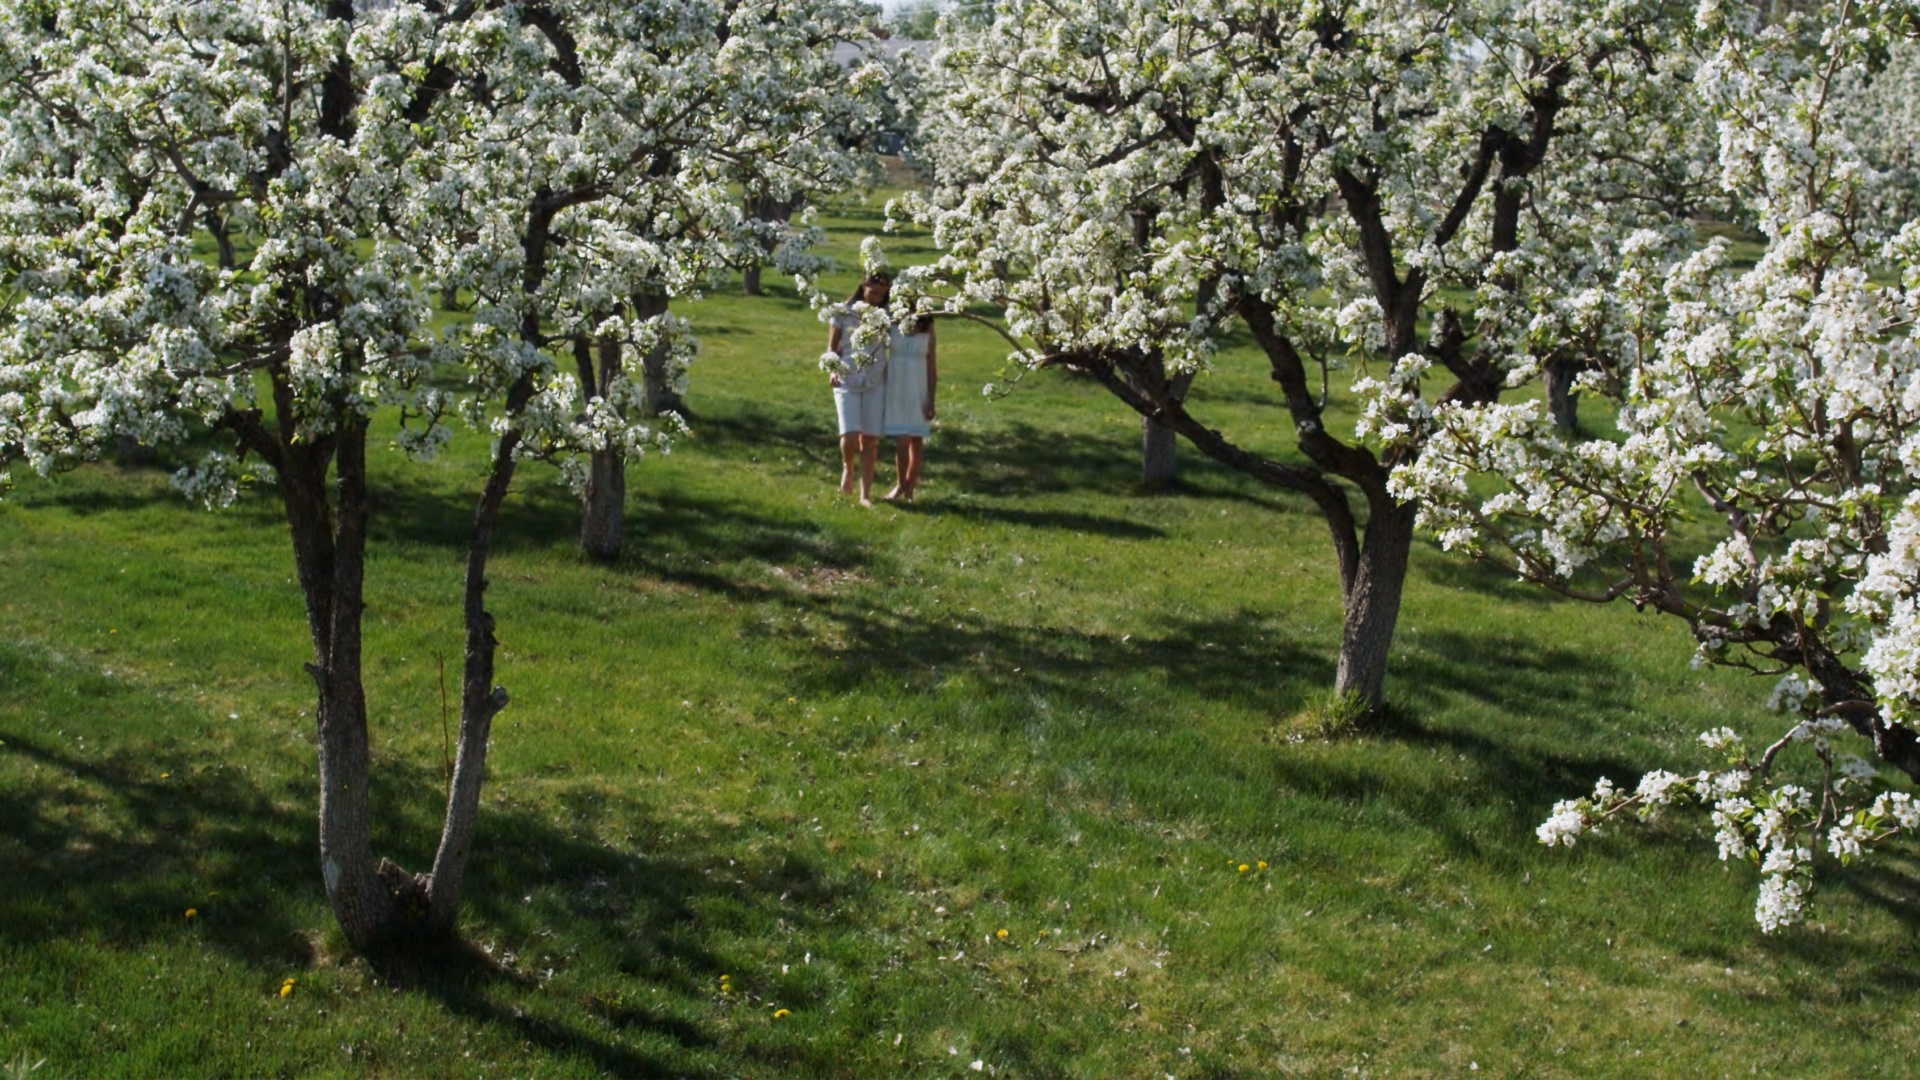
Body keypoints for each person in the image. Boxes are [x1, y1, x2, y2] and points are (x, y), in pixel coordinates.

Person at [828, 273, 891, 506]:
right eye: (873, 292)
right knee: (850, 433)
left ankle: (865, 494)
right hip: (847, 376)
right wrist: (832, 369)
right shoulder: (844, 311)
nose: (876, 297)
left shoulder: (887, 315)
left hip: (875, 379)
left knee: (871, 438)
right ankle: (848, 467)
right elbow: (832, 346)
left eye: (881, 294)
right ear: (864, 286)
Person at [881, 313, 937, 502]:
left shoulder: (927, 328)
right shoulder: (891, 323)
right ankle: (900, 484)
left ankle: (910, 487)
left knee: (916, 439)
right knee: (902, 439)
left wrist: (930, 398)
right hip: (896, 387)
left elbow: (932, 366)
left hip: (918, 388)